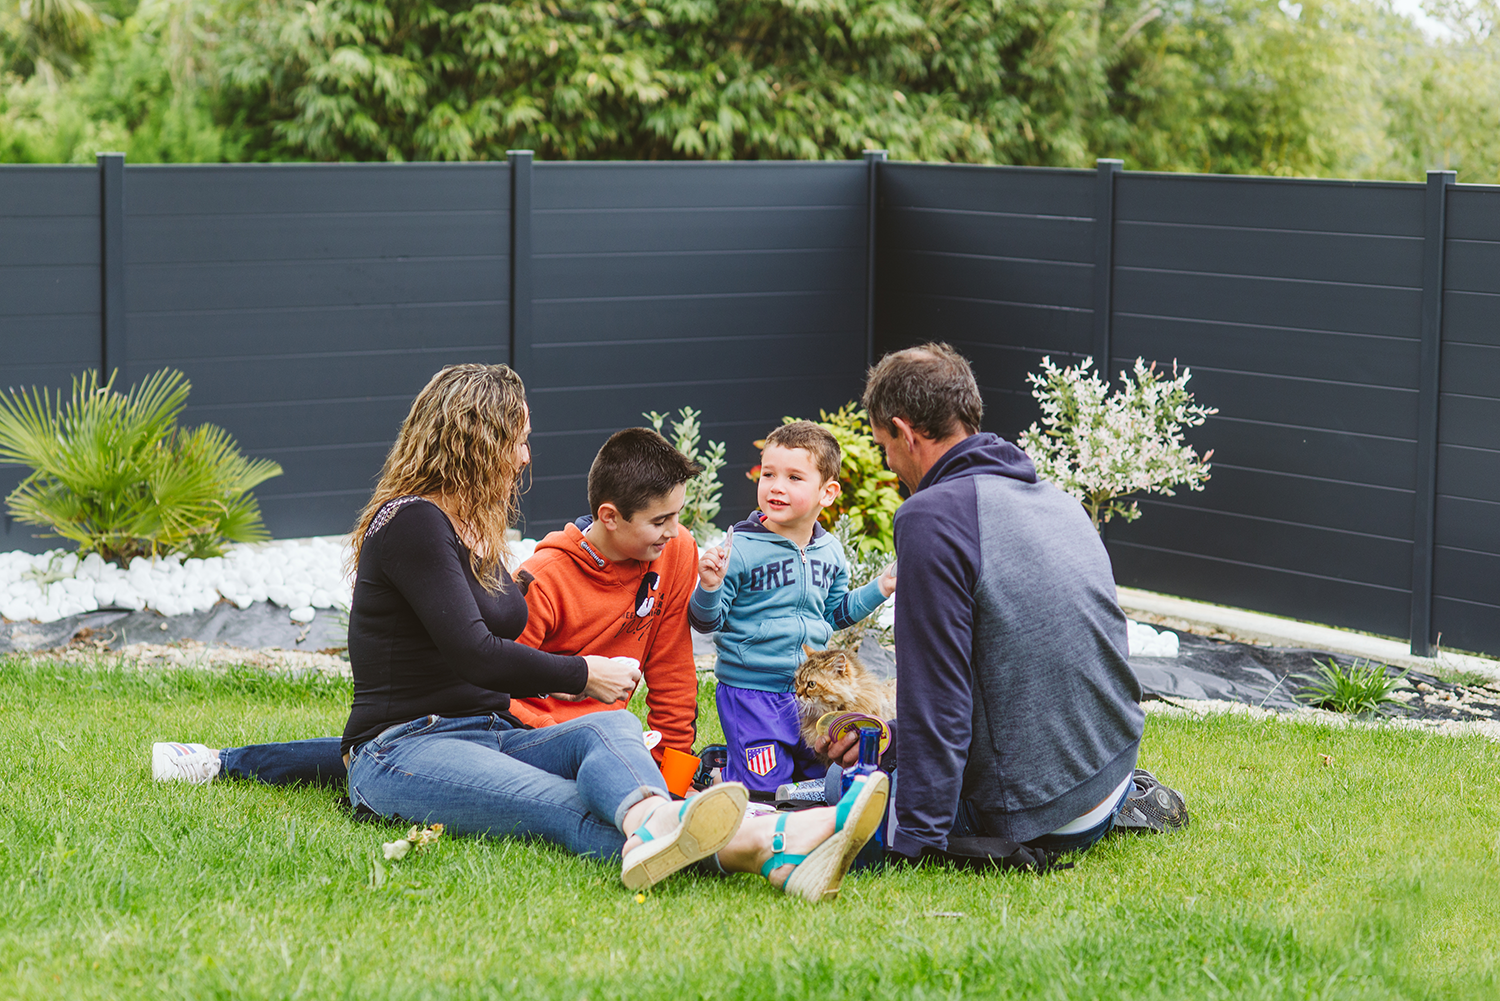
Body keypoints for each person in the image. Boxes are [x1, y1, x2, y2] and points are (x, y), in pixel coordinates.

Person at [160, 363, 891, 900]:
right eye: (520, 439)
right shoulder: (410, 523)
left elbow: (510, 617)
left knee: (609, 728)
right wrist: (585, 672)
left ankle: (661, 824)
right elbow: (476, 651)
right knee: (564, 805)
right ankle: (771, 841)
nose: (526, 455)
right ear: (479, 438)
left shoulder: (470, 528)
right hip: (402, 748)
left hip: (486, 730)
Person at [152, 427, 704, 784]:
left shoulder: (675, 552)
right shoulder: (544, 575)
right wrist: (579, 693)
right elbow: (499, 675)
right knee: (385, 754)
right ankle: (221, 761)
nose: (526, 458)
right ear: (610, 516)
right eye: (660, 520)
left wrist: (675, 772)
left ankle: (222, 761)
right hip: (515, 725)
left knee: (605, 741)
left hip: (551, 728)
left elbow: (674, 671)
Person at [821, 343, 1185, 867]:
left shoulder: (931, 518)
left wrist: (918, 840)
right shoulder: (1056, 499)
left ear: (905, 432)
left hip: (1041, 813)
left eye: (884, 447)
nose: (890, 464)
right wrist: (894, 742)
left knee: (834, 792)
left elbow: (938, 695)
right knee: (885, 756)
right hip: (1112, 771)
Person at [690, 421, 895, 796]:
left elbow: (834, 614)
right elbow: (707, 621)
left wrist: (881, 586)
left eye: (794, 477)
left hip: (809, 697)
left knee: (814, 783)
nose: (776, 486)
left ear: (827, 493)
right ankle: (720, 778)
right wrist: (709, 586)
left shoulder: (830, 551)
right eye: (768, 474)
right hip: (752, 693)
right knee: (766, 790)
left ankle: (731, 765)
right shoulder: (741, 549)